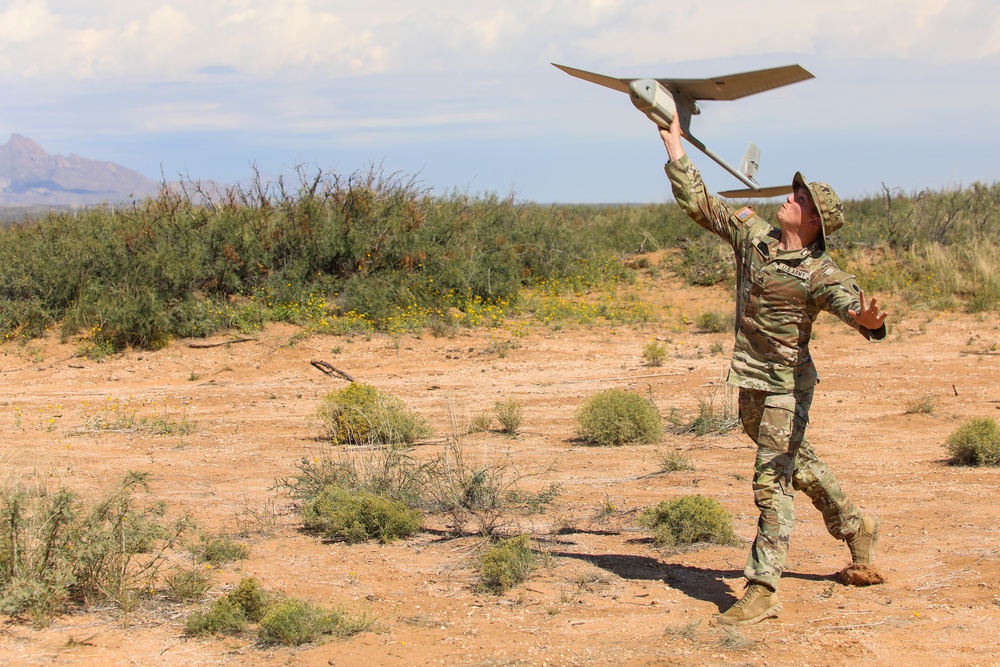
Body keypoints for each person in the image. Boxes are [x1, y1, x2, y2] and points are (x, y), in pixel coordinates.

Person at [658, 119, 886, 626]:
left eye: (800, 198)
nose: (790, 196)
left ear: (812, 224)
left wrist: (866, 322)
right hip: (752, 380)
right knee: (795, 464)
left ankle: (762, 589)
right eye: (795, 190)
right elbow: (703, 204)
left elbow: (849, 304)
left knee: (771, 481)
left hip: (786, 387)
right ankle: (855, 524)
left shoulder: (821, 272)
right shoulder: (755, 237)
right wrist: (672, 140)